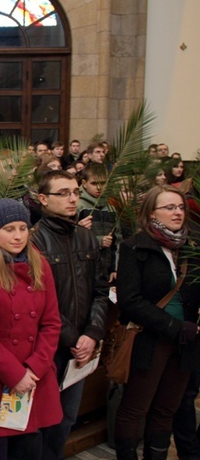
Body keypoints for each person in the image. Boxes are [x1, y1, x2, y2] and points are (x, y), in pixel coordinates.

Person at [0, 199, 62, 459]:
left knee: (30, 450)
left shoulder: (40, 265)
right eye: (9, 229)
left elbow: (51, 322)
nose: (18, 236)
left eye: (23, 228)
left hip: (33, 379)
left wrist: (34, 368)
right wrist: (15, 373)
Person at [113, 186, 200, 460]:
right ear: (152, 212)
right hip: (149, 339)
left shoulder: (190, 248)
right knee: (135, 408)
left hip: (186, 342)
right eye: (170, 207)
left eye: (181, 207)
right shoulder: (134, 246)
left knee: (167, 410)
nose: (177, 212)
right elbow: (131, 301)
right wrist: (174, 327)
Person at [30, 170, 109, 460]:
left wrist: (93, 333)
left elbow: (100, 290)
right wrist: (74, 337)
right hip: (48, 346)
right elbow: (38, 300)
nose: (73, 198)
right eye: (63, 193)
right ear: (43, 199)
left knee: (66, 418)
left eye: (75, 191)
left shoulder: (87, 238)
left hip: (81, 347)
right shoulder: (33, 241)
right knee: (40, 421)